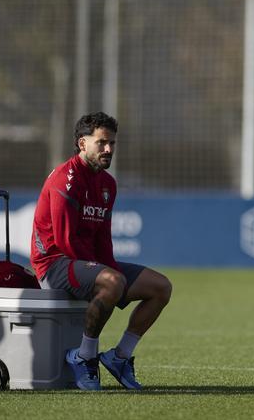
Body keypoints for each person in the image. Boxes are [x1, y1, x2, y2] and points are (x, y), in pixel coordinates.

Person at [30, 111, 173, 391]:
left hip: (88, 263)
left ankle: (119, 358)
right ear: (82, 144)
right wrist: (108, 276)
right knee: (112, 281)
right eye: (102, 143)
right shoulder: (65, 178)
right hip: (56, 263)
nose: (109, 149)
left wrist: (109, 270)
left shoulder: (107, 184)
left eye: (113, 144)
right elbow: (65, 240)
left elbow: (103, 238)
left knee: (161, 287)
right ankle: (84, 356)